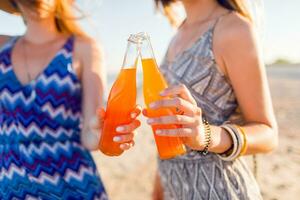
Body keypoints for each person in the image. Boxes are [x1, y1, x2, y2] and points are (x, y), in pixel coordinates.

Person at [0, 0, 140, 199]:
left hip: (71, 186)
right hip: (10, 188)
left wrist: (101, 131)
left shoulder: (84, 48)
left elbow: (90, 136)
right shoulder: (2, 46)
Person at [144, 0, 278, 199]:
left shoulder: (234, 29)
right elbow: (169, 129)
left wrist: (206, 135)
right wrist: (158, 190)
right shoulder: (178, 34)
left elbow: (268, 133)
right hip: (173, 189)